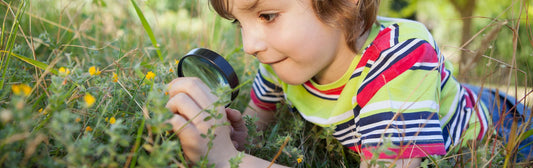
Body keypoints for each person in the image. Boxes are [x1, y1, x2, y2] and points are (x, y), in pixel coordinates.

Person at [165, 0, 532, 167]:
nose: (249, 46)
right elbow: (258, 135)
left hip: (503, 126)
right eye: (239, 24)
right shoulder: (281, 60)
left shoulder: (398, 60)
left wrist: (227, 160)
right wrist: (235, 140)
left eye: (268, 15)